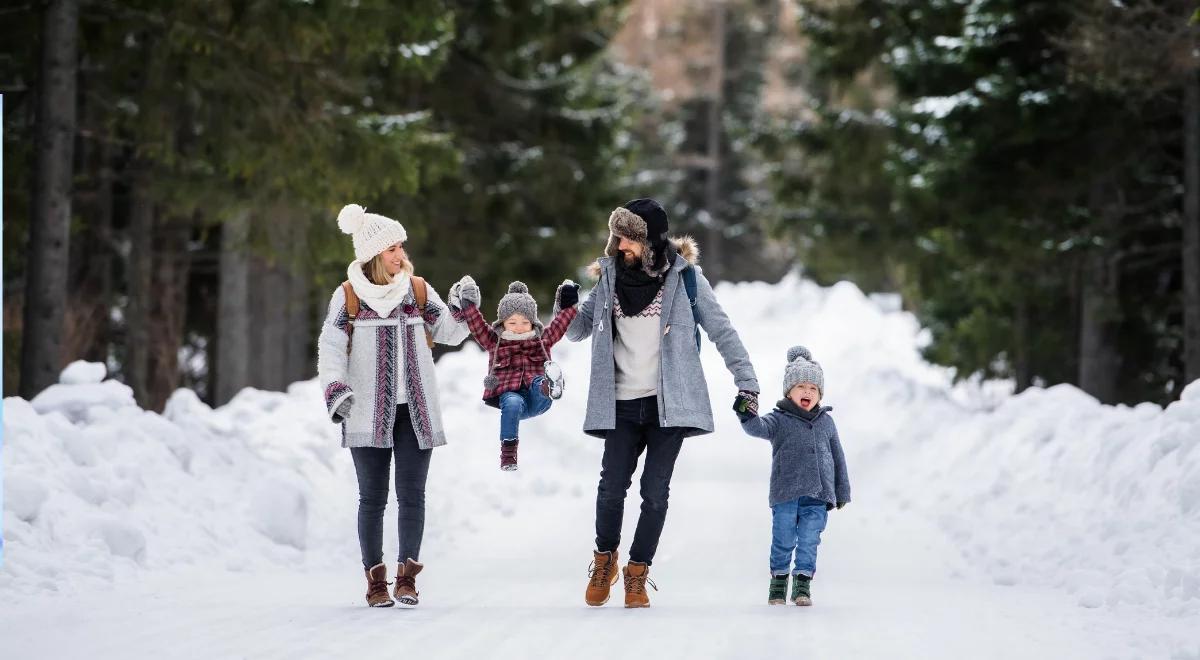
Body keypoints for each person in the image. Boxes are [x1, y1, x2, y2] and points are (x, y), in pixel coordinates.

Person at [566, 198, 760, 608]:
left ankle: (638, 572)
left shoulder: (686, 279)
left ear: (650, 240)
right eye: (617, 238)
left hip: (667, 405)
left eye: (628, 239)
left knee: (655, 493)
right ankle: (605, 560)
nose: (620, 247)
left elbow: (723, 331)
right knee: (611, 488)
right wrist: (564, 307)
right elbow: (577, 330)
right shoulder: (608, 277)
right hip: (619, 402)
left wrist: (747, 383)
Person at [316, 203, 470, 608]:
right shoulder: (347, 297)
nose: (400, 255)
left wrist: (465, 305)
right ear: (372, 254)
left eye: (401, 246)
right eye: (391, 249)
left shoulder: (417, 291)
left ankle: (407, 579)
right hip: (365, 411)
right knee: (372, 498)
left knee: (413, 496)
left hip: (414, 412)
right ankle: (375, 582)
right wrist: (336, 391)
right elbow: (330, 349)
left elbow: (451, 332)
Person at [734, 346, 851, 606]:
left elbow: (838, 457)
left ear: (820, 394)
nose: (807, 392)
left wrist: (842, 491)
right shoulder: (779, 420)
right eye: (801, 387)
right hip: (786, 493)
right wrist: (745, 413)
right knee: (783, 539)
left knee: (810, 540)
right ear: (789, 392)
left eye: (813, 388)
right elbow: (757, 428)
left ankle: (802, 585)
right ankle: (778, 582)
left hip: (818, 495)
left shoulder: (826, 422)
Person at [448, 277, 579, 470]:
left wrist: (569, 302)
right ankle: (508, 455)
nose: (519, 327)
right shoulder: (494, 341)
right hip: (511, 399)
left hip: (538, 399)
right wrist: (467, 304)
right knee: (512, 401)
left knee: (538, 382)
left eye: (525, 322)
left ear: (533, 322)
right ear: (503, 323)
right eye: (513, 322)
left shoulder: (541, 340)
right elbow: (476, 324)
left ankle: (550, 386)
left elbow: (560, 324)